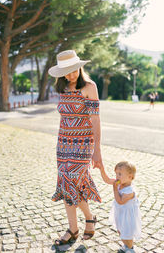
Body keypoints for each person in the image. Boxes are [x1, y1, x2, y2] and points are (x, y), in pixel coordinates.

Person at [48, 50, 102, 245]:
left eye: (73, 70)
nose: (71, 75)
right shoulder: (63, 88)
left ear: (80, 67)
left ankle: (89, 217)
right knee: (65, 184)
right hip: (63, 143)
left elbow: (95, 120)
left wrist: (97, 149)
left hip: (84, 143)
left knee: (73, 180)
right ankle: (73, 228)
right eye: (66, 72)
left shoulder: (89, 86)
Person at [100, 161, 141, 253]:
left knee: (127, 233)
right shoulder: (120, 183)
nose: (117, 177)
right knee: (120, 231)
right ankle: (126, 246)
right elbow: (107, 180)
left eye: (120, 174)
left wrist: (115, 188)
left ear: (130, 177)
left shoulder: (129, 191)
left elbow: (120, 201)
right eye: (116, 174)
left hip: (128, 216)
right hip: (120, 213)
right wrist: (101, 169)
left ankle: (130, 248)